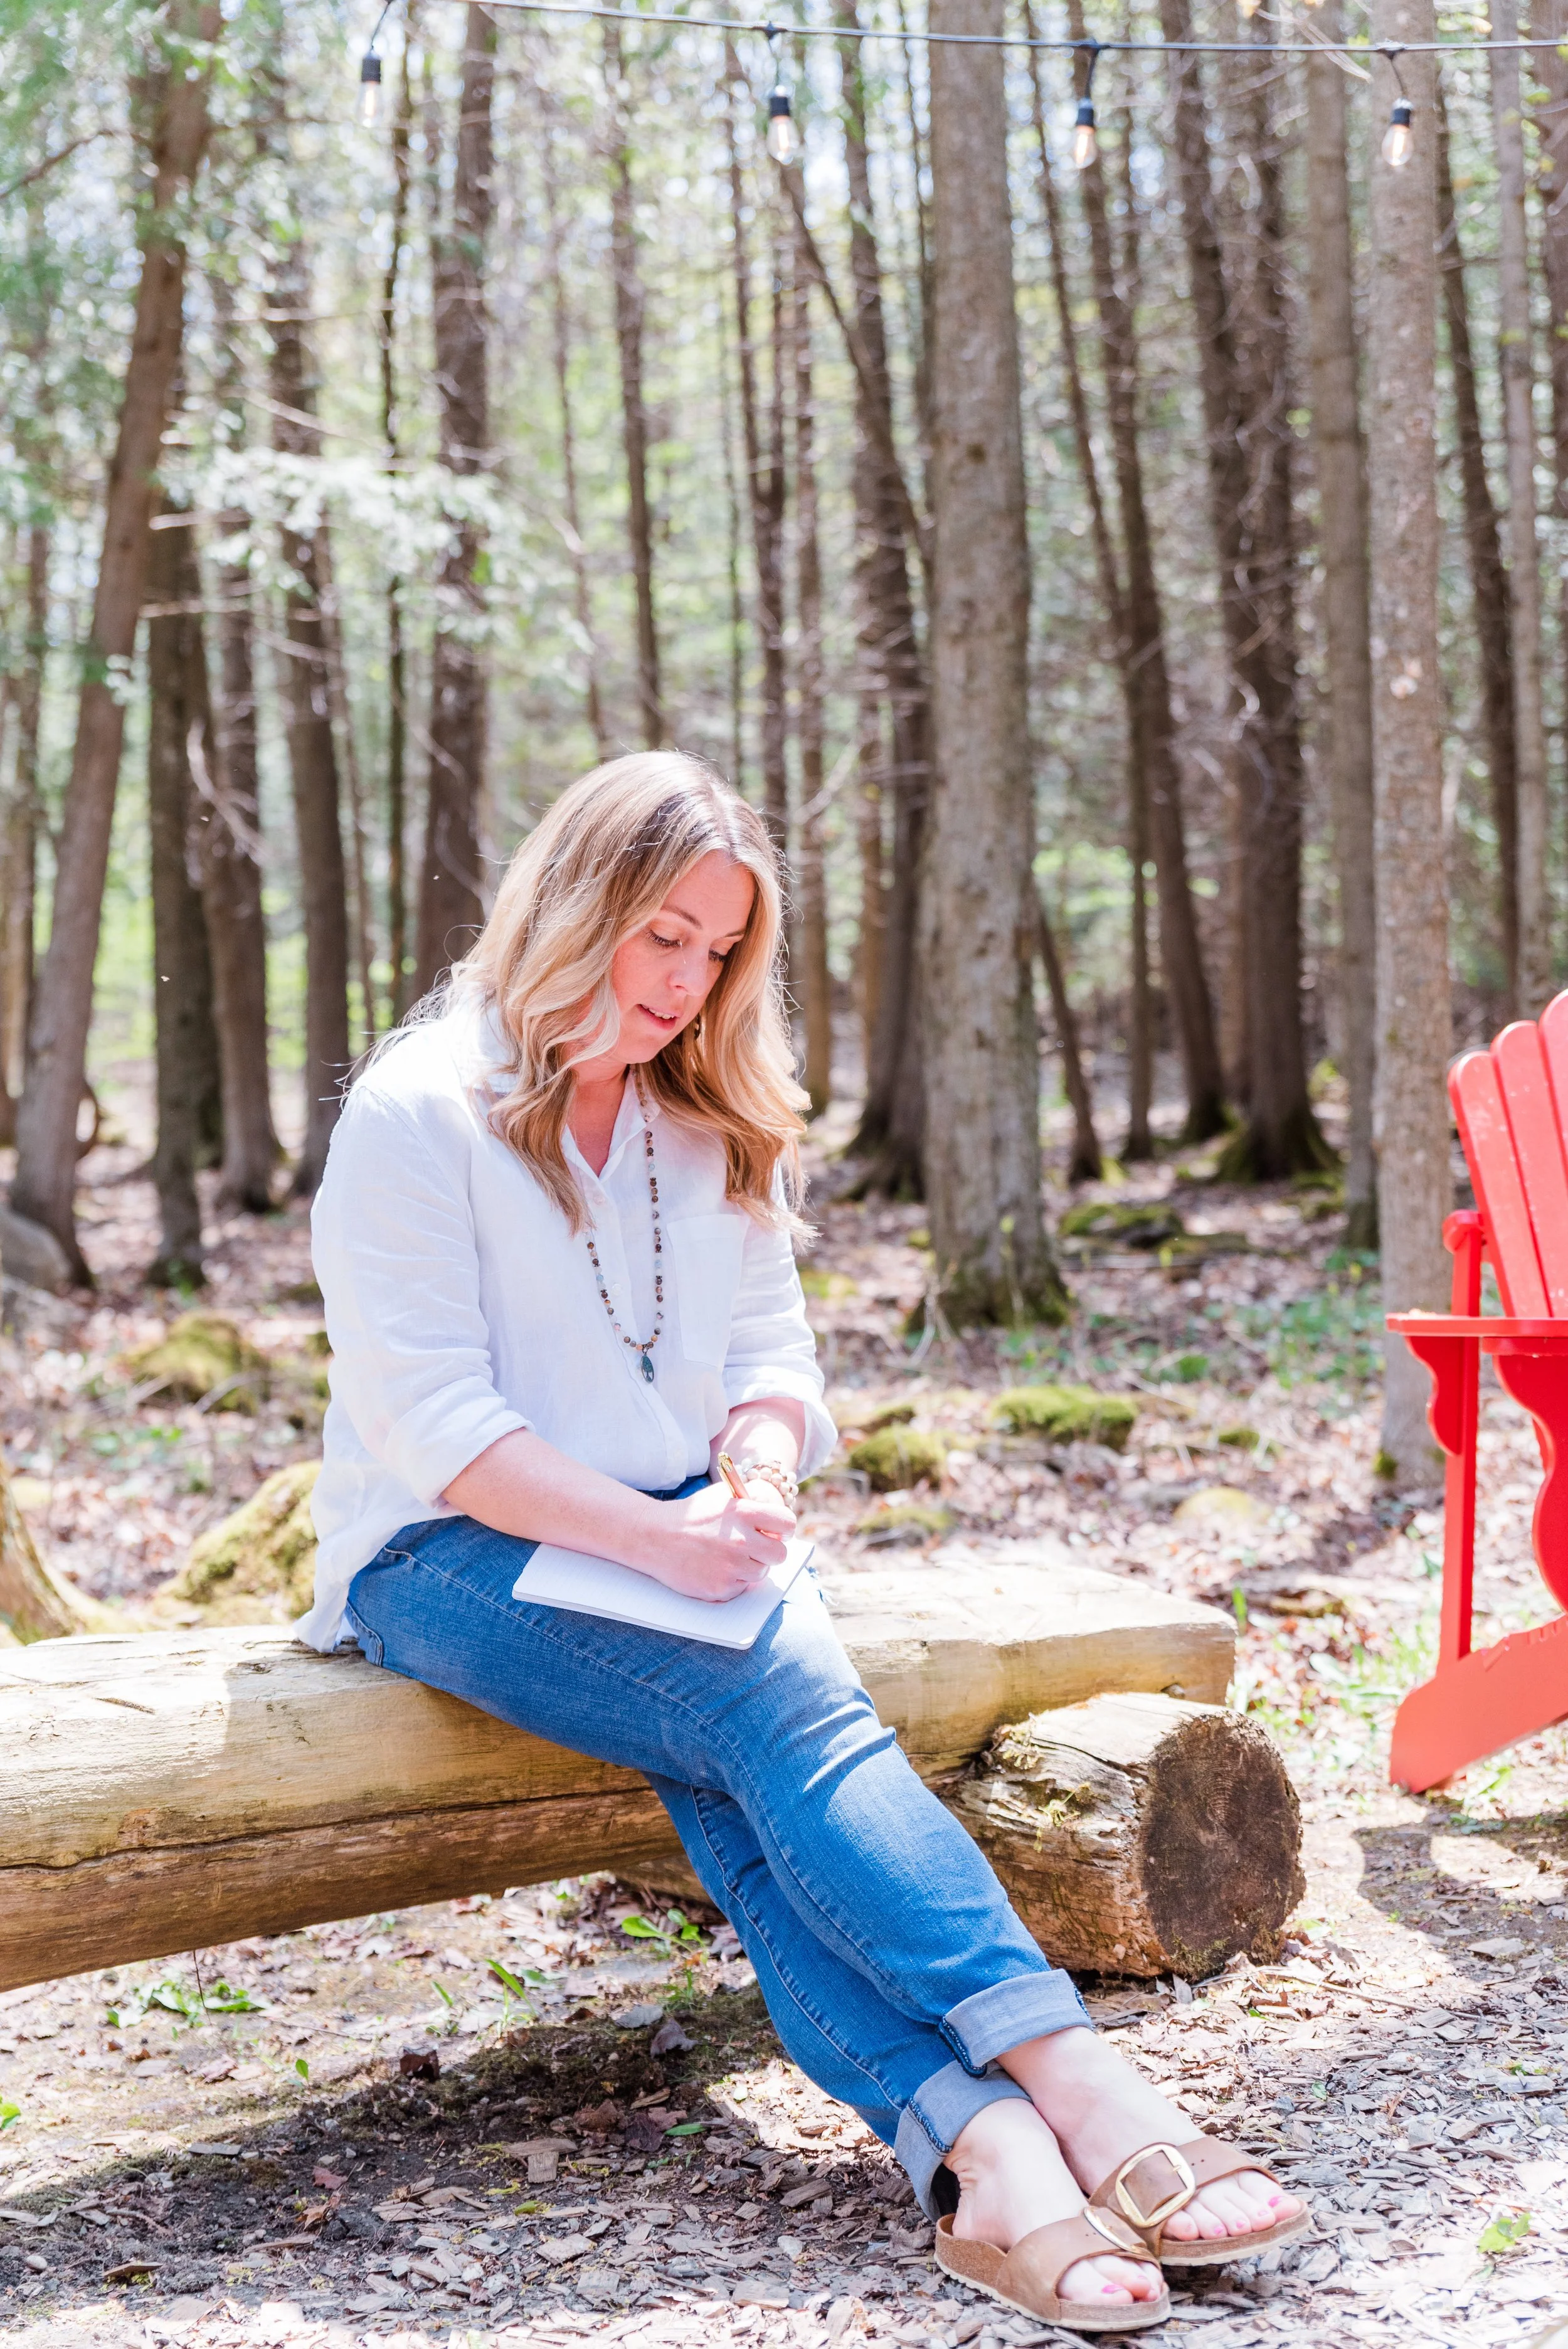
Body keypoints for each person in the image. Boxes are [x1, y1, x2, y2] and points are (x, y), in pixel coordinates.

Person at [301, 752, 1308, 2333]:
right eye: (661, 940)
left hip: (685, 1545)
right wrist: (653, 1539)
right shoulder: (417, 1111)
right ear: (576, 904)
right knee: (774, 1705)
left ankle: (983, 2162)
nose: (685, 982)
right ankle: (1076, 2076)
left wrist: (756, 1470)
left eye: (714, 952)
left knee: (739, 1763)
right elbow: (438, 1428)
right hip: (449, 1556)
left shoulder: (699, 1111)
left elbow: (770, 1346)